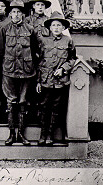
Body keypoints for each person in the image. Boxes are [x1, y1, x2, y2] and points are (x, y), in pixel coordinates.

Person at [0, 0, 37, 146]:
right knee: (11, 102)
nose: (16, 14)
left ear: (23, 14)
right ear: (9, 14)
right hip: (9, 71)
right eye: (13, 12)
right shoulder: (4, 29)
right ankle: (11, 134)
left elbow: (34, 51)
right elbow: (0, 51)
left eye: (18, 12)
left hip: (26, 71)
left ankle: (21, 134)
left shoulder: (30, 30)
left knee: (23, 102)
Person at [36, 11, 77, 146]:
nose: (56, 28)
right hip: (45, 80)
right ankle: (43, 134)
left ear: (63, 27)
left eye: (59, 25)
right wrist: (38, 81)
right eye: (54, 25)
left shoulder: (68, 41)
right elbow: (39, 61)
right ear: (50, 27)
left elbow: (72, 59)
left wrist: (63, 69)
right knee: (43, 106)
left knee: (55, 107)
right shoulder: (43, 41)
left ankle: (50, 134)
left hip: (59, 81)